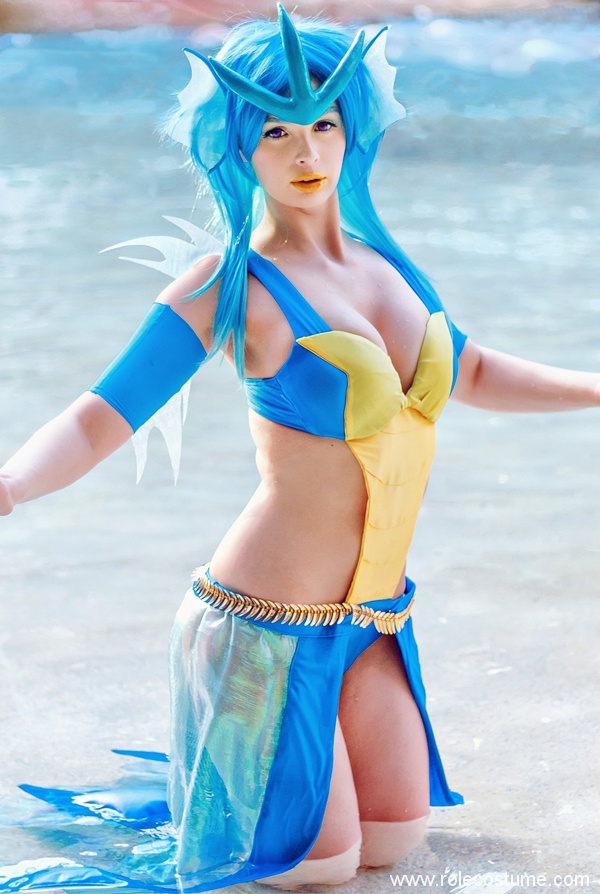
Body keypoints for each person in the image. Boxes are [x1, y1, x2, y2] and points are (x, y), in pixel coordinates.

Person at [1, 5, 599, 892]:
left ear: (352, 129)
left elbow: (473, 369)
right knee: (320, 869)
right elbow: (103, 414)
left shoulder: (386, 265)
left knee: (395, 843)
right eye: (276, 131)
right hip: (264, 628)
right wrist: (11, 483)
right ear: (238, 145)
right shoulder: (229, 284)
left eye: (323, 124)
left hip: (374, 619)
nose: (306, 151)